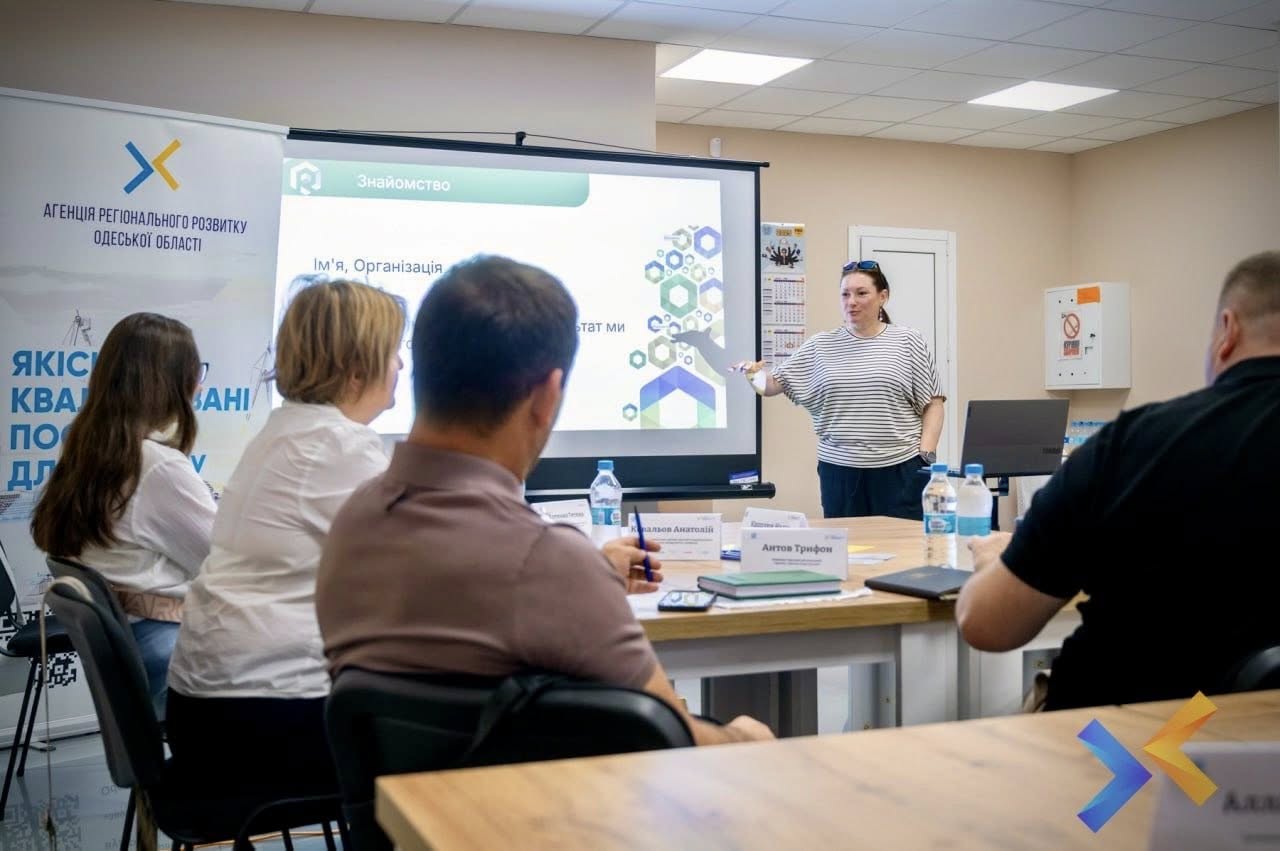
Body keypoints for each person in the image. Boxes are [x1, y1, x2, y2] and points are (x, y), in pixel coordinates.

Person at [316, 255, 773, 746]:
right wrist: (746, 737)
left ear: (418, 370)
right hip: (537, 797)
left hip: (404, 798)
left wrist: (590, 575)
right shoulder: (548, 563)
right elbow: (670, 735)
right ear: (547, 396)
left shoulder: (352, 524)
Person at [957, 251, 1280, 710]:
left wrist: (994, 560)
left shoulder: (1138, 443)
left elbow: (986, 623)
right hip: (1256, 745)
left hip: (1127, 744)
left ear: (1227, 331)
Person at [164, 279, 404, 799]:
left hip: (214, 714)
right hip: (259, 723)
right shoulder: (337, 444)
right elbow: (420, 570)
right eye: (393, 352)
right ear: (357, 368)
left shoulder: (288, 431)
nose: (401, 365)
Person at [30, 313, 215, 713]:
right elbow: (223, 564)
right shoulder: (158, 466)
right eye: (195, 373)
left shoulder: (88, 449)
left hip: (137, 649)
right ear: (170, 383)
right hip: (168, 654)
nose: (200, 385)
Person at [736, 259, 945, 519]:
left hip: (901, 469)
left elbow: (933, 404)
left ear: (883, 297)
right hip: (840, 472)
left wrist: (925, 456)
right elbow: (770, 385)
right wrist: (751, 373)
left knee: (904, 543)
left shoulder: (908, 341)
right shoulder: (821, 345)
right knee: (847, 542)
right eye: (845, 294)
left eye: (861, 293)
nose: (851, 302)